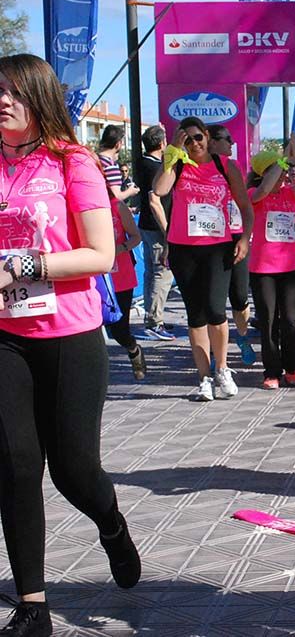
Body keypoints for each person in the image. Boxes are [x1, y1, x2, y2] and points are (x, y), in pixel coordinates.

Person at [0, 53, 141, 636]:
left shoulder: (72, 160)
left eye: (13, 91)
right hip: (5, 336)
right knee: (14, 466)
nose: (2, 100)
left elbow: (101, 254)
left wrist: (23, 265)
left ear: (39, 97)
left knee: (74, 471)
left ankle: (111, 524)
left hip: (69, 335)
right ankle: (33, 606)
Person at [152, 117, 253, 401]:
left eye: (198, 137)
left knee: (216, 311)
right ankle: (204, 377)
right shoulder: (178, 164)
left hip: (217, 248)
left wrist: (244, 238)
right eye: (187, 139)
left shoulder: (225, 165)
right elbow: (159, 190)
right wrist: (173, 152)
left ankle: (222, 368)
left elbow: (245, 206)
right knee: (195, 314)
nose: (194, 143)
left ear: (207, 136)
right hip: (183, 249)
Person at [247, 139, 295, 389]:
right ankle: (271, 371)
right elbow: (264, 188)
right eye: (279, 169)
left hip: (290, 268)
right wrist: (282, 159)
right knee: (268, 322)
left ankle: (291, 367)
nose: (284, 173)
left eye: (285, 169)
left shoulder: (289, 194)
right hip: (263, 269)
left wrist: (294, 154)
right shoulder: (255, 195)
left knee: (292, 320)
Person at [208, 125, 256, 365]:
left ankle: (243, 337)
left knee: (239, 296)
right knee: (212, 301)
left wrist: (245, 237)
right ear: (212, 142)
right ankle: (215, 350)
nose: (232, 143)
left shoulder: (233, 167)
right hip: (210, 240)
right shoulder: (194, 168)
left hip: (236, 236)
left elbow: (246, 205)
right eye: (227, 139)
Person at [134, 125, 175, 341]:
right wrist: (168, 231)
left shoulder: (142, 163)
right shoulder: (154, 168)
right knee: (162, 273)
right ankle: (154, 322)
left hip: (147, 225)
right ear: (161, 143)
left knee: (151, 272)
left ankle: (152, 317)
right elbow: (155, 201)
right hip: (159, 227)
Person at [104, 180, 147, 381]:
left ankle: (133, 349)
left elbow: (136, 237)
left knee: (119, 330)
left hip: (120, 276)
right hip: (95, 277)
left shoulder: (117, 207)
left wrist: (121, 248)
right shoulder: (80, 209)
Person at [96, 125, 139, 203]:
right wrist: (130, 191)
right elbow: (116, 196)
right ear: (118, 144)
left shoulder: (95, 159)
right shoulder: (110, 166)